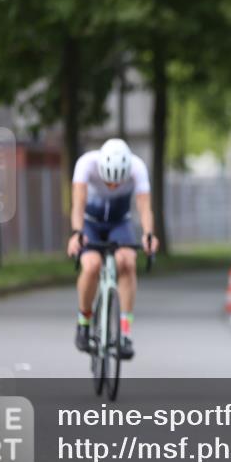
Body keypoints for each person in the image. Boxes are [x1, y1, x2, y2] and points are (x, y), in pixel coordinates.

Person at [66, 138, 159, 359]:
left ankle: (125, 333)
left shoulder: (137, 167)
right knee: (91, 265)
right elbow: (78, 204)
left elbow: (144, 207)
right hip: (90, 223)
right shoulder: (85, 164)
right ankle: (84, 321)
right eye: (108, 182)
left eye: (118, 183)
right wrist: (77, 233)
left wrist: (148, 235)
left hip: (119, 223)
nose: (113, 187)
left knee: (127, 262)